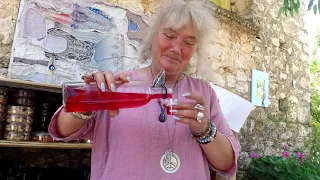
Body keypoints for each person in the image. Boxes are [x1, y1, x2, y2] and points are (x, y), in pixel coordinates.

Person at [49, 1, 241, 179]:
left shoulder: (203, 92)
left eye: (189, 42)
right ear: (154, 35)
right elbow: (63, 130)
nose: (176, 48)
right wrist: (88, 99)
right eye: (169, 35)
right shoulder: (117, 85)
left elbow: (226, 162)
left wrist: (204, 129)